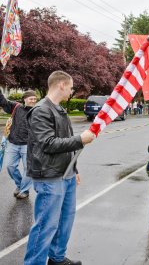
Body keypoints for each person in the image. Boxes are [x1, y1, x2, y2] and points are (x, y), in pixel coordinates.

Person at [24, 71, 95, 265]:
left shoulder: (59, 110)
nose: (71, 91)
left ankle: (56, 258)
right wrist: (80, 139)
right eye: (71, 87)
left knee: (65, 221)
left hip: (66, 174)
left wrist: (75, 169)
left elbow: (65, 142)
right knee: (46, 225)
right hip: (49, 176)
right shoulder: (40, 110)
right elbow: (48, 143)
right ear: (61, 84)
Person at [0, 89, 37, 199]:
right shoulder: (16, 107)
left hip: (28, 145)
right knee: (10, 166)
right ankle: (20, 185)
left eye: (35, 99)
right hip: (13, 143)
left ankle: (24, 190)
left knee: (28, 169)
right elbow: (2, 101)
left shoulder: (37, 111)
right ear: (24, 99)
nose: (33, 101)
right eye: (31, 99)